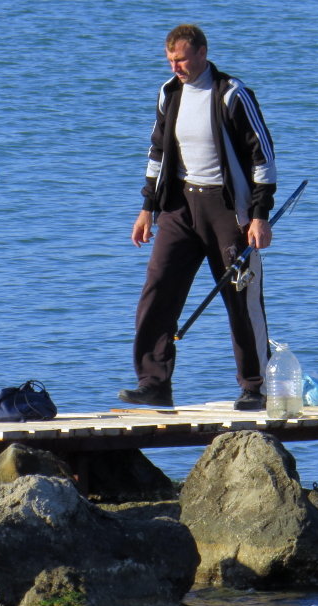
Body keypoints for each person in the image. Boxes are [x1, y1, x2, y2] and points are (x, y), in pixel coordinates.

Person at [119, 24, 277, 411]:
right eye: (171, 60)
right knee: (157, 290)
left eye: (183, 59)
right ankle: (154, 382)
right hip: (180, 207)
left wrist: (259, 215)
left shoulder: (231, 94)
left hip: (228, 210)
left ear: (203, 53)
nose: (177, 67)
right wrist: (147, 207)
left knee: (240, 297)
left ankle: (255, 387)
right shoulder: (168, 93)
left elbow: (264, 157)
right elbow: (157, 153)